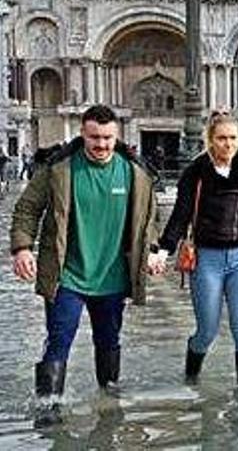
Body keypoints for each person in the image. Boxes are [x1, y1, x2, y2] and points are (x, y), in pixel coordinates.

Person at [10, 105, 160, 425]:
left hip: (114, 278)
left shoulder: (135, 172)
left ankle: (109, 405)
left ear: (117, 135)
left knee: (109, 341)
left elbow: (149, 219)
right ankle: (48, 412)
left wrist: (153, 252)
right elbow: (26, 209)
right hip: (67, 277)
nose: (101, 145)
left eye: (107, 138)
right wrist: (22, 248)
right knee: (58, 340)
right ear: (82, 133)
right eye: (94, 138)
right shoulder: (59, 168)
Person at [155, 111, 238, 386]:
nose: (228, 144)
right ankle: (191, 378)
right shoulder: (195, 172)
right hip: (207, 259)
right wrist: (163, 251)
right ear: (210, 140)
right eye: (222, 138)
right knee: (206, 331)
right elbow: (181, 214)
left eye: (233, 138)